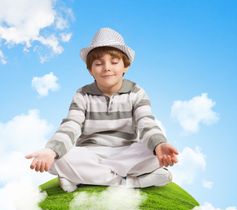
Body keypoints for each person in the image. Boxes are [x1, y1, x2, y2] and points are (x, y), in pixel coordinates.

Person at [25, 27, 179, 192]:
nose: (106, 67)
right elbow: (71, 125)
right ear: (91, 70)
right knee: (55, 161)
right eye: (98, 63)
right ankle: (132, 183)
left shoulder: (136, 93)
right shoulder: (82, 94)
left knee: (153, 156)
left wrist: (159, 145)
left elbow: (146, 122)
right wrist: (51, 151)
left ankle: (80, 178)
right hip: (90, 153)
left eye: (114, 62)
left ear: (125, 66)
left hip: (125, 153)